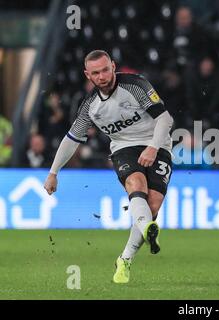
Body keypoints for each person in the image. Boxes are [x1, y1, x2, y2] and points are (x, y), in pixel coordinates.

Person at [43, 50, 174, 284]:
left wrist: (153, 147)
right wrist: (53, 173)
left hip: (158, 143)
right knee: (136, 183)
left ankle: (125, 259)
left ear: (113, 66)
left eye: (105, 69)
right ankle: (147, 229)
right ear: (88, 75)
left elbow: (165, 119)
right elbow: (71, 139)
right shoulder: (90, 106)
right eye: (96, 73)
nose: (102, 76)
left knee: (152, 204)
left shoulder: (136, 85)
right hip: (124, 147)